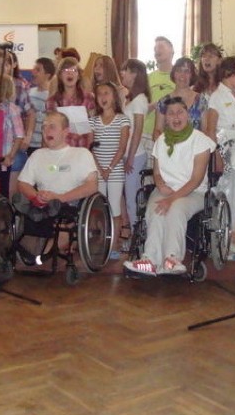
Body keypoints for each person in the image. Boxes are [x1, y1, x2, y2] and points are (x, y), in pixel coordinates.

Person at [124, 97, 215, 276]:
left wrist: (171, 199)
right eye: (171, 113)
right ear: (165, 118)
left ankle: (172, 259)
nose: (176, 117)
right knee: (155, 209)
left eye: (180, 112)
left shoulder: (201, 140)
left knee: (175, 209)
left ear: (187, 114)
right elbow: (156, 172)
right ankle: (150, 259)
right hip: (165, 189)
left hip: (194, 192)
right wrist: (160, 185)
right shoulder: (161, 140)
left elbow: (196, 180)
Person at [15, 112, 99, 247]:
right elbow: (23, 183)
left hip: (67, 204)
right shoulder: (37, 155)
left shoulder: (82, 154)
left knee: (43, 251)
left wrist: (60, 197)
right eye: (44, 127)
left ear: (66, 132)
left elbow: (92, 186)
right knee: (20, 200)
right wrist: (36, 195)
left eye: (52, 127)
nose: (46, 131)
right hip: (41, 203)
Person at [89, 82, 130, 258]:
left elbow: (121, 148)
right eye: (100, 94)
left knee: (114, 207)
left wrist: (110, 168)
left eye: (107, 93)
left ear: (114, 96)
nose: (103, 97)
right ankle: (101, 240)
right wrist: (100, 169)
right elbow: (90, 147)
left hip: (115, 170)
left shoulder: (123, 119)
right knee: (98, 207)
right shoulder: (93, 120)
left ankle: (114, 245)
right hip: (98, 170)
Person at [119, 58, 150, 249]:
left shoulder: (139, 100)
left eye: (126, 70)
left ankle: (136, 238)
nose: (122, 73)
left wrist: (130, 157)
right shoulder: (131, 98)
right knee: (129, 197)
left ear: (135, 74)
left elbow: (137, 130)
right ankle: (135, 234)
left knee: (132, 198)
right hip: (128, 154)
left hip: (135, 155)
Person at [46, 56, 96, 148]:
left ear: (79, 75)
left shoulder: (89, 98)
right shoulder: (52, 101)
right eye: (65, 71)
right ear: (60, 75)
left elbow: (92, 128)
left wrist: (90, 151)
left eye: (74, 70)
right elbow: (49, 129)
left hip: (82, 150)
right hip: (60, 151)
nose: (70, 73)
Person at [153, 57, 206, 138]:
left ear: (192, 75)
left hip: (196, 148)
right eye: (179, 70)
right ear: (173, 74)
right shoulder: (164, 102)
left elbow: (205, 130)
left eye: (186, 71)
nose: (182, 75)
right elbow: (158, 130)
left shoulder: (201, 100)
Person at [146, 36, 175, 142]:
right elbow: (142, 108)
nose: (157, 51)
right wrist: (154, 105)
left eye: (161, 47)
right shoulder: (148, 78)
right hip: (148, 132)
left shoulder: (180, 77)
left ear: (172, 50)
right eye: (155, 49)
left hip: (173, 132)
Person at [27, 57, 55, 156]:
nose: (33, 72)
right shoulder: (29, 92)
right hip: (28, 143)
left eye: (38, 70)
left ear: (47, 75)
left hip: (41, 144)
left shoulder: (50, 97)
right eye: (34, 69)